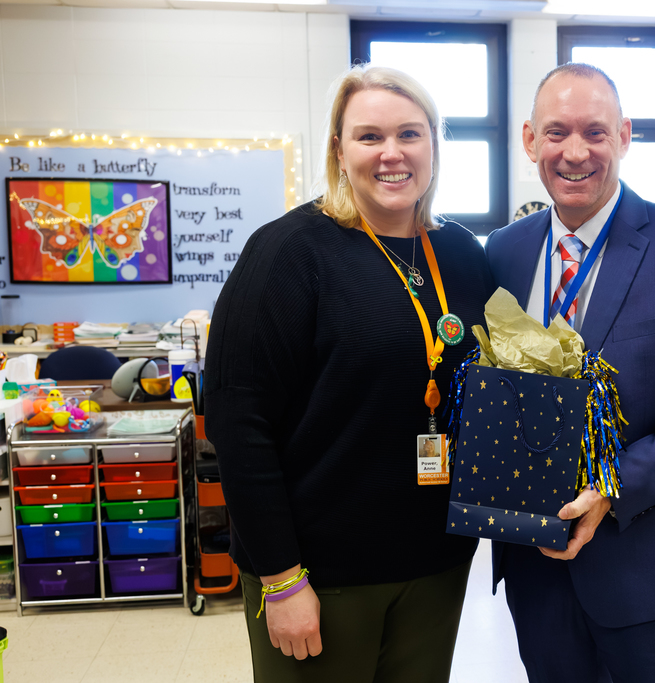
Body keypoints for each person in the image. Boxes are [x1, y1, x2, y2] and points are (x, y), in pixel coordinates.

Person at [204, 64, 492, 683]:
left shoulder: (462, 254)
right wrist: (281, 579)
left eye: (410, 133)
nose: (392, 153)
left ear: (434, 144)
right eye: (369, 136)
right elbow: (236, 419)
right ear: (339, 149)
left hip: (437, 565)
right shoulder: (289, 252)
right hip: (319, 576)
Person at [484, 63, 655, 683]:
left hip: (649, 573)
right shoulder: (503, 251)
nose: (575, 152)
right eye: (556, 132)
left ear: (624, 136)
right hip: (537, 571)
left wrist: (611, 487)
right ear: (530, 140)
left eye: (595, 132)